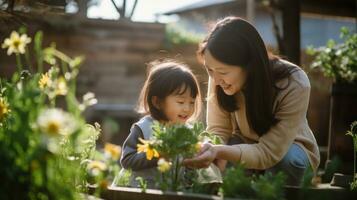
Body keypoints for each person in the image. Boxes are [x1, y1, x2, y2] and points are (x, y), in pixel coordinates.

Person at [183, 17, 320, 186]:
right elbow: (218, 131)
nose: (216, 80)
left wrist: (219, 151)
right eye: (209, 70)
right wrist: (209, 148)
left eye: (223, 72)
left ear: (249, 64)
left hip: (288, 149)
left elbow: (269, 152)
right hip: (244, 144)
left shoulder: (295, 82)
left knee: (287, 161)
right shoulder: (218, 78)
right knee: (217, 162)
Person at [119, 60, 203, 188]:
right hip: (141, 192)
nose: (187, 108)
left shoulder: (188, 132)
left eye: (191, 102)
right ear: (157, 102)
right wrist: (157, 154)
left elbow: (189, 169)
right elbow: (127, 160)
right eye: (181, 102)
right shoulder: (144, 128)